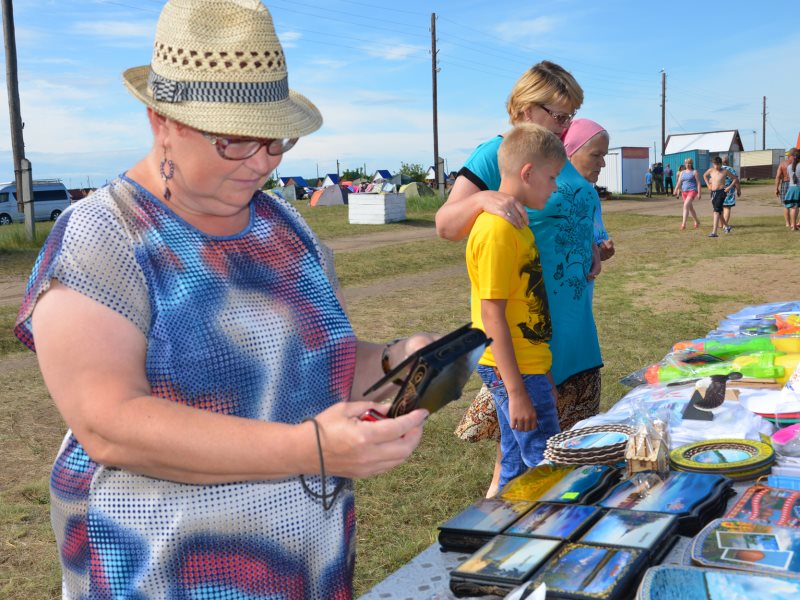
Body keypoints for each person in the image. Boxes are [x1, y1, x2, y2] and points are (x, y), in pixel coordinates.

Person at [13, 1, 430, 597]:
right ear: (162, 122)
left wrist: (395, 361)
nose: (263, 160)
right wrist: (309, 447)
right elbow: (111, 425)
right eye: (236, 139)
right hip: (161, 575)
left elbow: (315, 365)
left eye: (276, 139)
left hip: (305, 570)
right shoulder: (103, 235)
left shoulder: (287, 227)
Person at [436, 60, 607, 496]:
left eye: (572, 116)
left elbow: (565, 211)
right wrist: (484, 200)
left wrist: (588, 243)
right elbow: (445, 224)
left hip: (571, 319)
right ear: (527, 108)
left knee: (548, 448)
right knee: (536, 458)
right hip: (524, 328)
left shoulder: (553, 154)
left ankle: (503, 529)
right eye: (560, 115)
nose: (568, 127)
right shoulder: (498, 153)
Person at [467, 123, 566, 490]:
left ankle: (498, 530)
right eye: (552, 177)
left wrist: (544, 373)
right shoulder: (498, 231)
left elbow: (525, 306)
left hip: (528, 367)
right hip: (514, 371)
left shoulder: (518, 224)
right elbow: (491, 314)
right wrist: (518, 391)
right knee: (548, 472)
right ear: (528, 173)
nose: (555, 186)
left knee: (514, 469)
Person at [563, 118, 615, 260]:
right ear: (569, 152)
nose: (603, 164)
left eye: (603, 156)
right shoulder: (549, 195)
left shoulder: (590, 195)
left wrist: (601, 251)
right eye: (595, 155)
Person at [704, 156, 738, 237]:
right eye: (715, 164)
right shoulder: (711, 170)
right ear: (713, 164)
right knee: (718, 211)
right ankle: (727, 226)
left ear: (721, 164)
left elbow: (735, 179)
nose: (717, 166)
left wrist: (729, 187)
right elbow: (704, 175)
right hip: (713, 192)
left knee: (716, 211)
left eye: (718, 164)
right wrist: (708, 185)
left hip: (721, 192)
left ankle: (714, 232)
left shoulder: (725, 171)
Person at [675, 158, 702, 230]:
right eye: (686, 163)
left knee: (685, 205)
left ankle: (683, 224)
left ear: (692, 164)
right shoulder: (682, 172)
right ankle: (697, 221)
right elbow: (679, 182)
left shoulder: (694, 172)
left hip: (692, 191)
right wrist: (675, 189)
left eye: (689, 163)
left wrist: (699, 193)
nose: (688, 165)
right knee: (690, 208)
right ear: (685, 164)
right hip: (684, 192)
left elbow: (698, 183)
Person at [776, 149, 798, 227]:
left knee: (786, 205)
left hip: (785, 183)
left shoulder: (783, 164)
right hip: (795, 184)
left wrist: (776, 188)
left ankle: (788, 223)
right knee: (796, 204)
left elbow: (778, 177)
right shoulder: (797, 163)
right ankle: (795, 223)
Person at [720, 155, 741, 230]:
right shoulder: (731, 169)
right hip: (729, 191)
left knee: (720, 208)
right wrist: (738, 190)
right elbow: (737, 181)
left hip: (719, 190)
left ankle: (721, 224)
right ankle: (725, 225)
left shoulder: (717, 169)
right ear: (728, 161)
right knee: (727, 207)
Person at [784, 150, 800, 230]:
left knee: (793, 207)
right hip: (799, 188)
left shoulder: (789, 167)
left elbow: (789, 177)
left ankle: (793, 226)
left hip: (792, 188)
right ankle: (798, 224)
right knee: (796, 207)